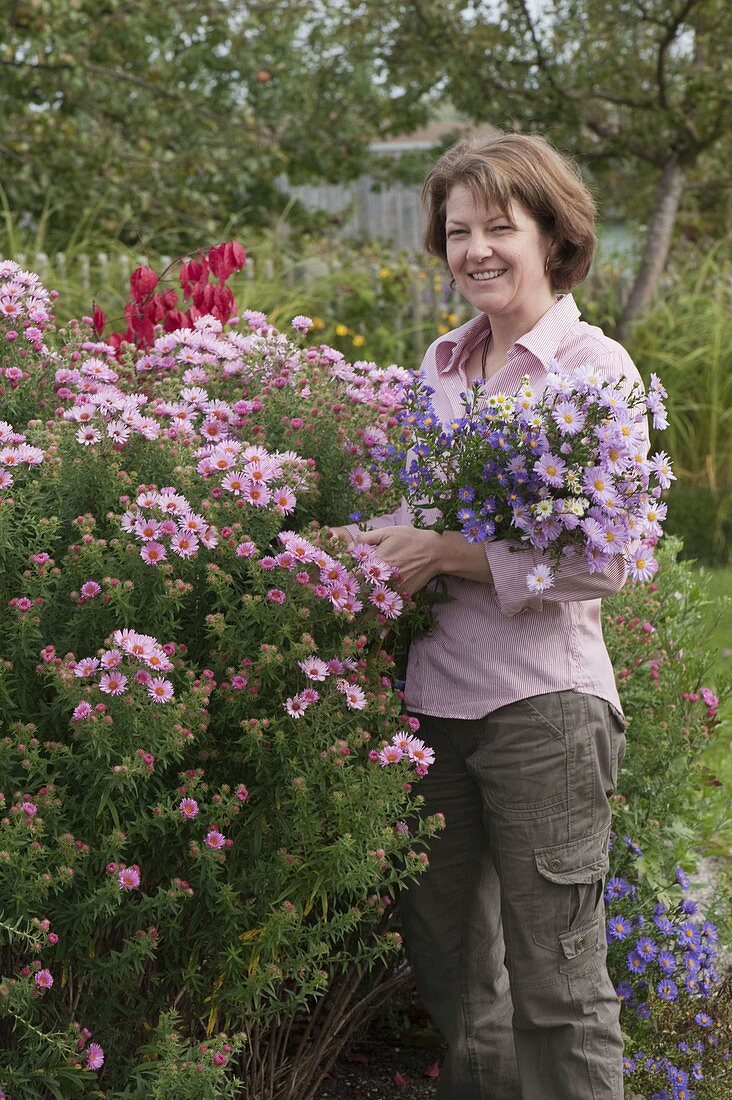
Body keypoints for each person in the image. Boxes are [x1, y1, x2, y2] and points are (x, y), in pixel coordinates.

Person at [333, 132, 646, 1100]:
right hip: (436, 706)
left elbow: (610, 558)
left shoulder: (595, 370)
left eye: (497, 227)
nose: (474, 248)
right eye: (457, 230)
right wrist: (368, 544)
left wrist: (449, 557)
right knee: (460, 981)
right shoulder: (443, 366)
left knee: (558, 982)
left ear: (553, 236)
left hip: (544, 710)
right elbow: (429, 519)